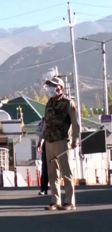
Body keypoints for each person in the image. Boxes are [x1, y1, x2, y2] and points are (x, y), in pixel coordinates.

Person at [42, 77, 79, 211]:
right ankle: (55, 201)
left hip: (62, 141)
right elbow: (46, 122)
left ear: (60, 88)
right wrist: (42, 139)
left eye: (53, 85)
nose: (51, 88)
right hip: (49, 141)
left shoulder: (68, 103)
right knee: (52, 173)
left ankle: (69, 201)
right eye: (49, 85)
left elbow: (75, 123)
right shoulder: (49, 103)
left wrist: (75, 139)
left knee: (66, 172)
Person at [36, 120, 48, 195]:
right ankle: (43, 189)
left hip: (59, 142)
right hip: (46, 143)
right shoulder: (45, 119)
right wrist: (40, 143)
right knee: (45, 168)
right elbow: (42, 132)